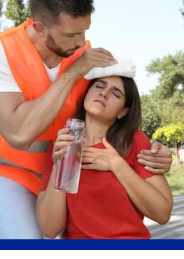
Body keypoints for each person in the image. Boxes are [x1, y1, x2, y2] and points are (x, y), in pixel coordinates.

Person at [0, 0, 173, 239]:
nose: (82, 42)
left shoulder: (84, 53)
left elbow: (122, 103)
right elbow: (19, 133)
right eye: (71, 35)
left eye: (84, 31)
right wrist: (74, 71)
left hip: (73, 169)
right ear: (40, 27)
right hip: (21, 176)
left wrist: (155, 150)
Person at [36, 66, 174, 239]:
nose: (104, 93)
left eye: (116, 94)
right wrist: (61, 164)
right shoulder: (60, 146)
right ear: (87, 93)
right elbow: (49, 229)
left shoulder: (134, 142)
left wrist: (116, 164)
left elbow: (162, 213)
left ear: (123, 112)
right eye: (99, 86)